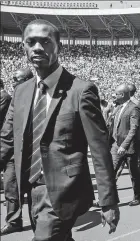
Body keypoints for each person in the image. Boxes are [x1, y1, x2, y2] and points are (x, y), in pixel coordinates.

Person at [0, 19, 119, 240]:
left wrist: (108, 200)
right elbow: (6, 141)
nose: (37, 47)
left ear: (58, 47)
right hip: (29, 188)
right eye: (31, 42)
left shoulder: (81, 91)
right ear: (23, 47)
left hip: (63, 190)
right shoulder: (21, 92)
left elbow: (100, 149)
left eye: (45, 41)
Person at [1, 68, 35, 235]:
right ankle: (14, 220)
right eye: (13, 78)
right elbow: (8, 130)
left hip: (30, 154)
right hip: (12, 153)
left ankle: (39, 228)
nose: (13, 81)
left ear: (27, 80)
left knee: (32, 192)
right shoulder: (15, 96)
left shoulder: (37, 96)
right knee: (10, 187)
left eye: (17, 78)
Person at [108, 84, 140, 206]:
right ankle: (109, 198)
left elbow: (134, 129)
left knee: (134, 174)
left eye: (116, 94)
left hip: (128, 147)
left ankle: (138, 197)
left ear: (122, 95)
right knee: (110, 172)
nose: (115, 96)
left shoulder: (134, 108)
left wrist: (124, 145)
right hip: (115, 145)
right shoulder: (118, 107)